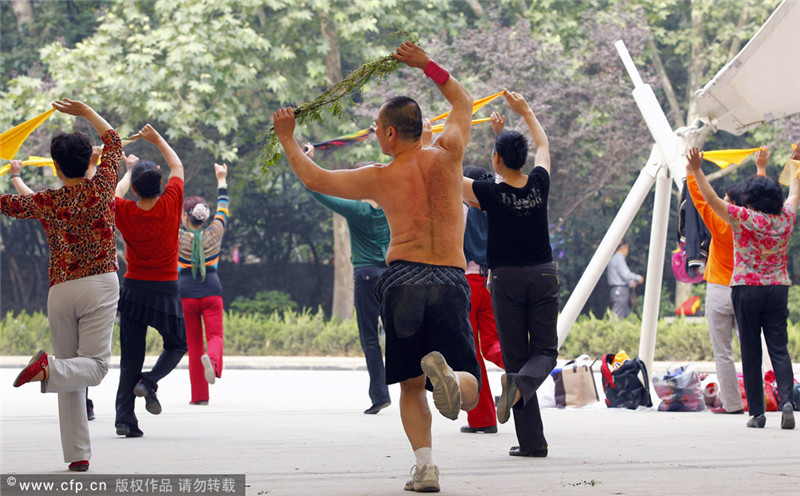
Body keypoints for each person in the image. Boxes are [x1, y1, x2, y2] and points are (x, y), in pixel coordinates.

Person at [273, 41, 480, 492]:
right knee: (472, 387)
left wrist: (288, 137)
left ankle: (425, 469)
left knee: (408, 384)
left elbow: (315, 178)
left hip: (403, 279)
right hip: (449, 277)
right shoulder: (450, 154)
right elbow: (463, 101)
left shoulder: (381, 176)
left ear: (388, 135)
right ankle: (454, 377)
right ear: (424, 127)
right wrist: (427, 65)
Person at [1, 98, 122, 471]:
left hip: (61, 289)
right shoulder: (102, 186)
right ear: (91, 160)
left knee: (72, 366)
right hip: (100, 283)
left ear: (54, 167)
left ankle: (77, 455)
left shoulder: (46, 201)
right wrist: (86, 112)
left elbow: (6, 204)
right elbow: (114, 140)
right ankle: (47, 369)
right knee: (95, 367)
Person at [462, 90, 558, 458]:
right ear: (523, 159)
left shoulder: (488, 192)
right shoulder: (539, 183)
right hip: (543, 275)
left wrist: (431, 140)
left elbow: (451, 171)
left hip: (505, 281)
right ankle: (531, 435)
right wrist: (527, 112)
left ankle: (529, 427)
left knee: (517, 359)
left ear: (496, 159)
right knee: (545, 351)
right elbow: (544, 144)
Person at [687, 144, 798, 430]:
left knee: (750, 350)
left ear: (749, 202)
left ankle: (758, 414)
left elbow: (710, 200)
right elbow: (795, 192)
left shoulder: (743, 218)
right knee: (779, 349)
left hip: (746, 289)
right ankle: (786, 402)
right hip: (777, 288)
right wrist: (795, 162)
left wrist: (697, 171)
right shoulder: (786, 219)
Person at [304, 144, 392, 415]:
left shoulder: (357, 210)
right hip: (392, 274)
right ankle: (414, 384)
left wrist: (308, 161)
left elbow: (315, 188)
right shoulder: (393, 205)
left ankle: (380, 395)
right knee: (401, 333)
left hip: (366, 275)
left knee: (369, 338)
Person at [113, 124, 188, 438]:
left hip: (133, 289)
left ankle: (125, 420)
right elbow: (177, 165)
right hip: (165, 289)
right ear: (160, 184)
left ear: (135, 189)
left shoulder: (125, 209)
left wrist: (129, 170)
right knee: (177, 344)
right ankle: (149, 381)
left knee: (131, 356)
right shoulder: (170, 203)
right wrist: (156, 138)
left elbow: (115, 192)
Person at [685, 152, 771, 415]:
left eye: (725, 200)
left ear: (731, 204)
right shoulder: (753, 224)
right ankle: (757, 403)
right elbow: (762, 200)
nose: (722, 202)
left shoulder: (719, 222)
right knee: (750, 350)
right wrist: (760, 169)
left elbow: (700, 198)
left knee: (723, 353)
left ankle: (733, 405)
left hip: (719, 290)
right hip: (746, 289)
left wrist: (692, 171)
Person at [178, 163, 230, 405]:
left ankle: (199, 396)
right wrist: (222, 180)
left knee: (194, 344)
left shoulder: (177, 237)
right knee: (216, 335)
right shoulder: (215, 231)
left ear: (186, 217)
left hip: (186, 293)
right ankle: (214, 361)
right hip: (212, 289)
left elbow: (164, 215)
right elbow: (223, 209)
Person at [460, 164, 505, 434]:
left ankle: (483, 418)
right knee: (492, 344)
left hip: (466, 283)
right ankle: (525, 367)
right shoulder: (496, 210)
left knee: (471, 352)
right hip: (491, 283)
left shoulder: (463, 210)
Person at [606, 240, 644, 318]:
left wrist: (629, 283)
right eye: (627, 248)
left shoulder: (614, 258)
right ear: (623, 247)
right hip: (620, 291)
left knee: (627, 314)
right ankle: (610, 329)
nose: (627, 251)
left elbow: (621, 276)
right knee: (616, 315)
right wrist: (638, 278)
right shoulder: (619, 258)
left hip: (619, 290)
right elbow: (625, 274)